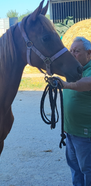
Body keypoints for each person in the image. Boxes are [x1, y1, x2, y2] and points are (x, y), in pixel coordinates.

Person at [58, 36, 91, 186]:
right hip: (71, 131)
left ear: (89, 54)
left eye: (76, 51)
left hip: (86, 134)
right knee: (75, 169)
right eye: (71, 51)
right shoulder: (74, 70)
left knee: (88, 170)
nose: (72, 54)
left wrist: (65, 85)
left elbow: (86, 83)